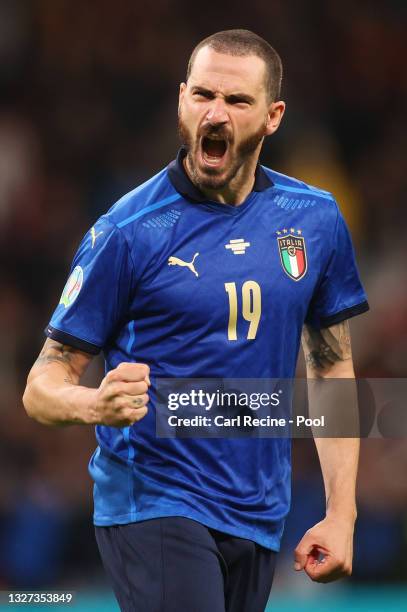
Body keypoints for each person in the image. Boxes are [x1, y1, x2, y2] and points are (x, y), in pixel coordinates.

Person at [23, 29, 369, 612]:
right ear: (181, 100)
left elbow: (331, 364)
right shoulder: (127, 231)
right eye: (203, 95)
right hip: (155, 500)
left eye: (236, 101)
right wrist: (93, 404)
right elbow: (41, 385)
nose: (216, 113)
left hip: (260, 513)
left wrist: (342, 513)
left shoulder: (314, 219)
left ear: (272, 116)